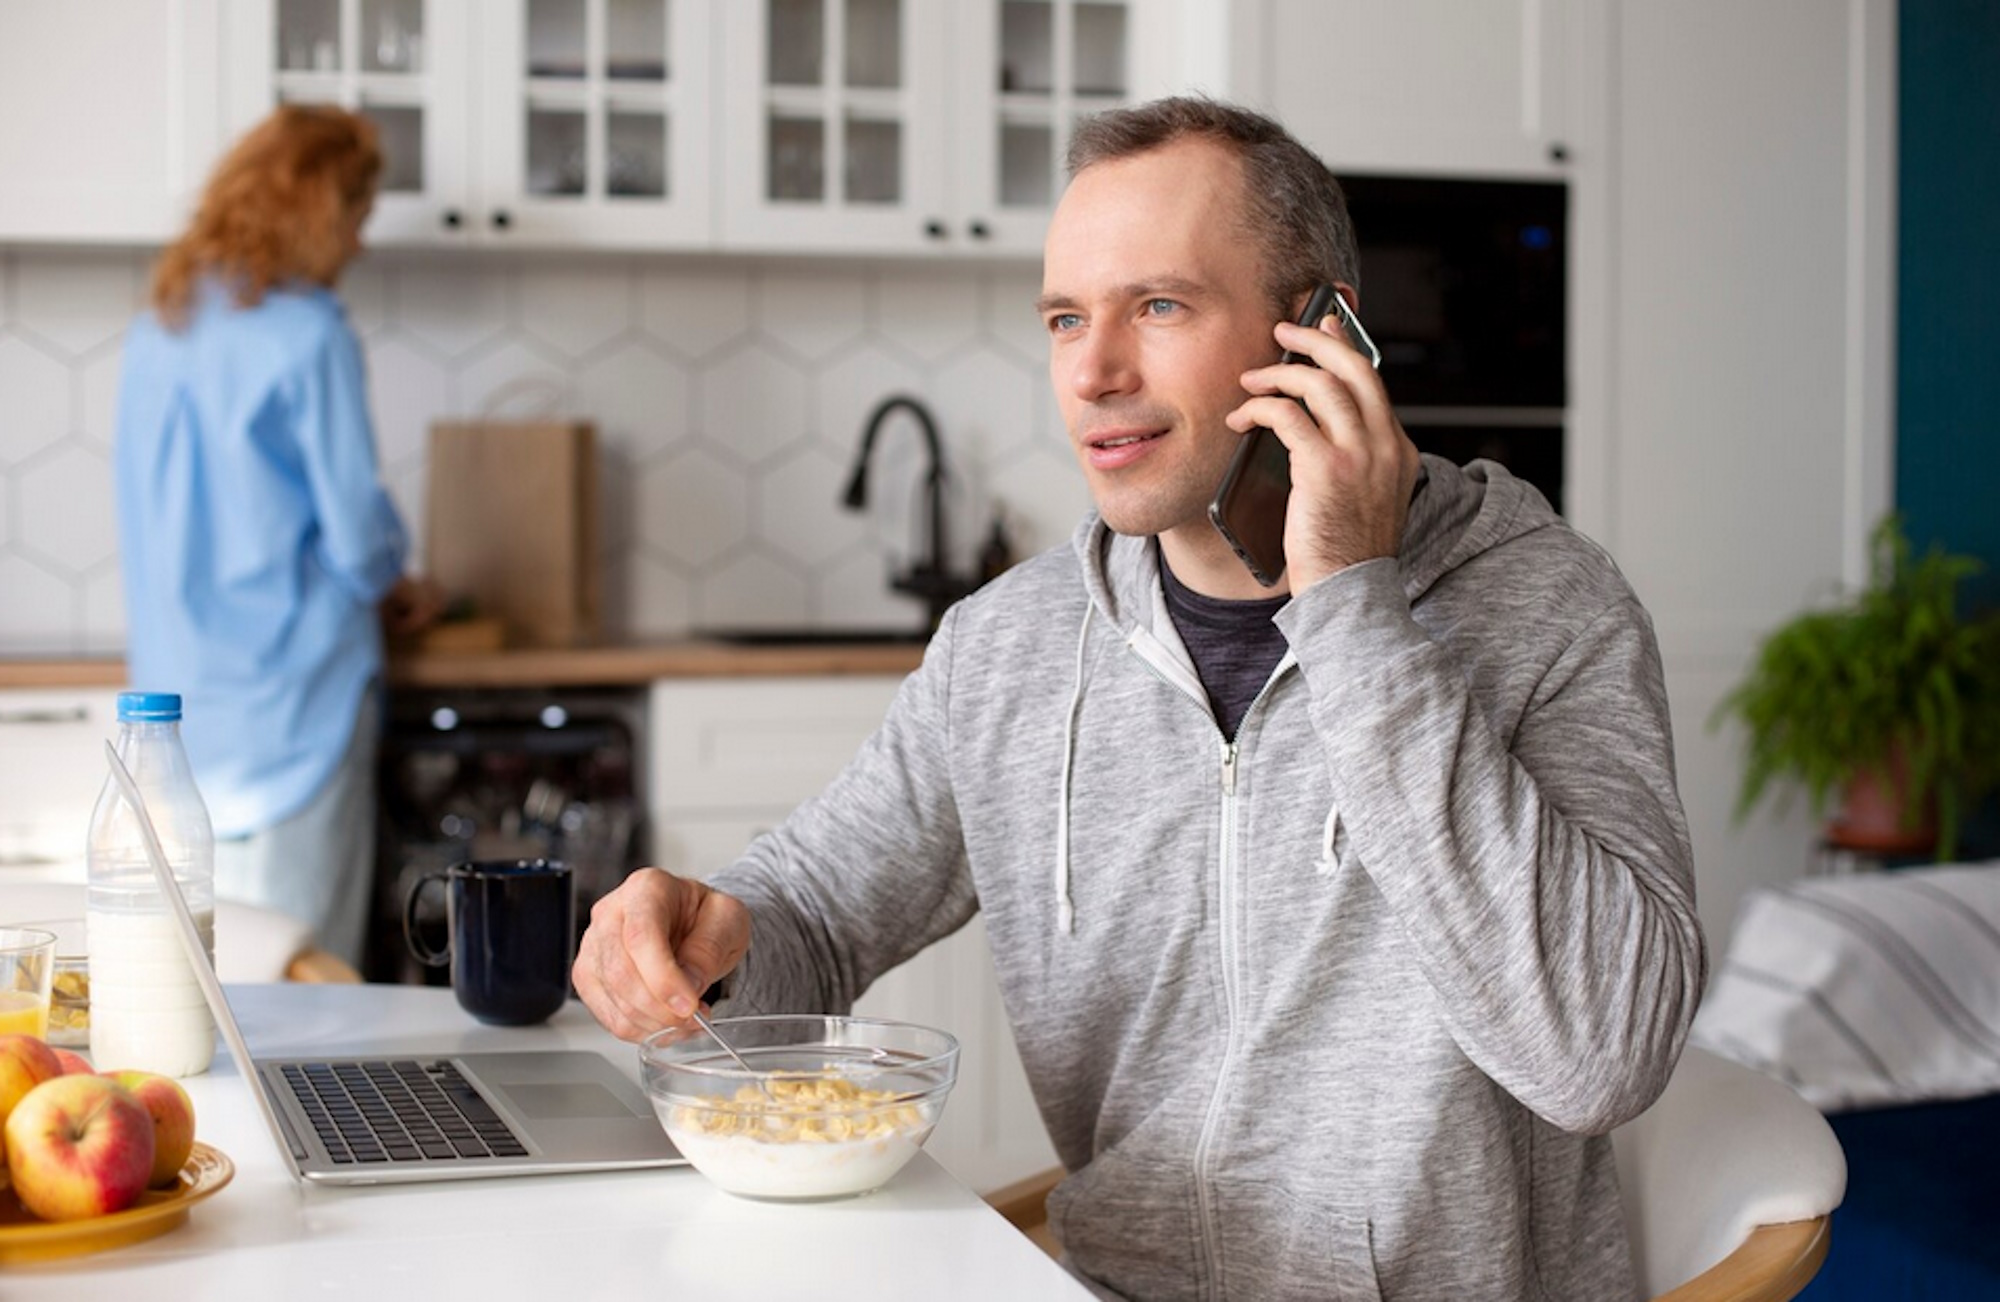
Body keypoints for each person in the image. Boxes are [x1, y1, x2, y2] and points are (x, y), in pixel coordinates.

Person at [577, 97, 1705, 1300]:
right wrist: (710, 943)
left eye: (1157, 306)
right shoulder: (1007, 648)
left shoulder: (1548, 609)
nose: (1091, 372)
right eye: (1066, 317)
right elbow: (814, 915)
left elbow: (1600, 1056)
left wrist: (1352, 609)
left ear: (1320, 335)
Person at [114, 105, 441, 969]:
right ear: (315, 212)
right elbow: (358, 542)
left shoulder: (162, 322)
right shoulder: (310, 333)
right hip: (298, 702)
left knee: (194, 978)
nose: (360, 241)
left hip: (182, 708)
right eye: (357, 215)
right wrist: (400, 583)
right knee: (308, 978)